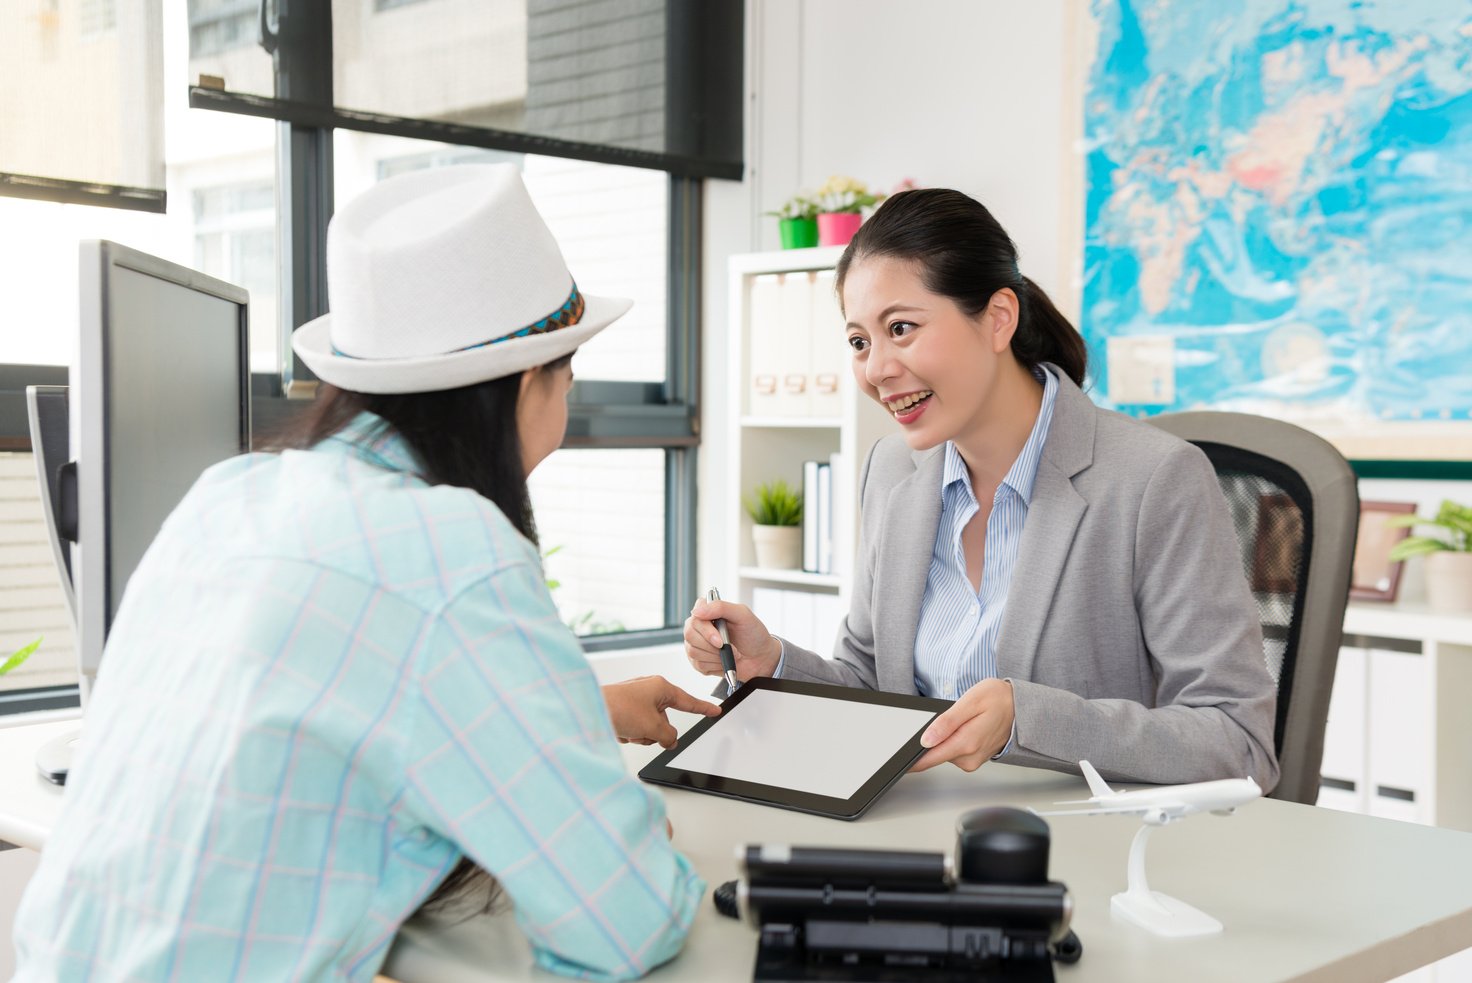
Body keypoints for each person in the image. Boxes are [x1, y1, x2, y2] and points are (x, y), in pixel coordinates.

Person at [13, 164, 718, 982]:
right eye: (568, 376)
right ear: (528, 383)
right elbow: (625, 920)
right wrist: (621, 827)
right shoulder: (456, 552)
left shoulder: (227, 495)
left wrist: (578, 718)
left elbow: (329, 718)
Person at [686, 188, 1279, 791]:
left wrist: (1030, 718)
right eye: (860, 341)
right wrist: (774, 666)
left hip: (1086, 855)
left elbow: (1238, 742)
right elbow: (872, 690)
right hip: (918, 839)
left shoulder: (1154, 479)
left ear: (998, 319)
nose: (877, 369)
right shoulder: (893, 470)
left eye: (901, 328)